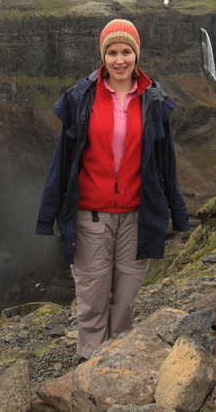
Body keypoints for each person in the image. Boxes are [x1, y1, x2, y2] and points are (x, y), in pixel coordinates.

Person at [36, 19, 189, 359]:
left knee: (127, 291)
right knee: (92, 291)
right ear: (103, 56)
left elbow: (166, 164)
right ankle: (90, 356)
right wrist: (48, 215)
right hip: (92, 213)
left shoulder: (154, 100)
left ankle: (118, 357)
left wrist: (178, 215)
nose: (120, 60)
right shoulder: (81, 99)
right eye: (112, 52)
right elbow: (63, 160)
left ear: (136, 55)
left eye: (126, 52)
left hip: (138, 213)